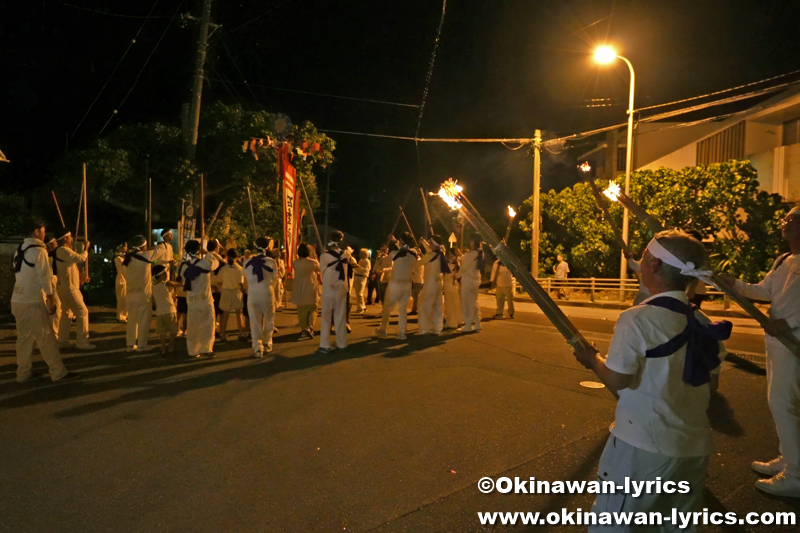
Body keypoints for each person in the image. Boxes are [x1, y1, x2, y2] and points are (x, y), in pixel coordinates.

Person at [573, 230, 731, 526]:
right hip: (693, 447)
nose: (640, 264)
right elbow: (712, 383)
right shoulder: (704, 323)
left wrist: (591, 359)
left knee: (615, 522)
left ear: (655, 266)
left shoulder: (637, 318)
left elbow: (617, 379)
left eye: (644, 257)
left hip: (642, 446)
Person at [719, 206, 800, 497]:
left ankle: (796, 474)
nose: (786, 222)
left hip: (794, 343)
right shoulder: (783, 260)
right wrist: (735, 285)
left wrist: (789, 323)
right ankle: (789, 456)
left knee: (784, 403)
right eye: (786, 218)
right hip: (777, 341)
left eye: (793, 218)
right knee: (781, 402)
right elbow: (765, 291)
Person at [11, 218, 77, 383]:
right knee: (46, 337)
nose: (44, 233)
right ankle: (58, 372)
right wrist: (51, 299)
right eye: (43, 230)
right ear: (36, 231)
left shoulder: (20, 249)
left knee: (24, 338)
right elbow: (44, 278)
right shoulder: (38, 251)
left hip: (17, 300)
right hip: (32, 301)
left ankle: (23, 374)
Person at [52, 227, 94, 350]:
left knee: (67, 314)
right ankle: (82, 342)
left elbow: (71, 270)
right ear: (65, 238)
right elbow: (81, 258)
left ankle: (63, 340)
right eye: (69, 236)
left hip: (67, 287)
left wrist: (81, 279)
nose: (71, 238)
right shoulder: (62, 250)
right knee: (82, 312)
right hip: (69, 288)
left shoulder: (64, 251)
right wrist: (86, 249)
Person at [179, 239, 219, 358]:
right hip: (204, 299)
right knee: (207, 325)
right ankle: (206, 349)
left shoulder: (184, 266)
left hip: (191, 300)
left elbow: (182, 277)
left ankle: (192, 350)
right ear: (198, 250)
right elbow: (215, 262)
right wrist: (207, 252)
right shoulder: (205, 263)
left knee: (192, 326)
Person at [122, 235, 163, 352]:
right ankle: (142, 345)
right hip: (143, 295)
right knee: (144, 321)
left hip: (130, 294)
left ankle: (130, 345)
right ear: (142, 246)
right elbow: (161, 250)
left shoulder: (126, 260)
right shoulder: (146, 255)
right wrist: (152, 247)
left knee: (132, 321)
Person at [376, 232, 418, 340]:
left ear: (401, 242)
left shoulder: (393, 254)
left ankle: (383, 329)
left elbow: (384, 261)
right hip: (407, 284)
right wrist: (395, 240)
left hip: (395, 284)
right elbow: (404, 249)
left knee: (387, 307)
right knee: (402, 309)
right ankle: (402, 332)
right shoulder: (414, 254)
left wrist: (381, 255)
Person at [243, 237, 278, 357]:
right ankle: (268, 343)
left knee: (255, 321)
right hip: (267, 291)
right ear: (267, 247)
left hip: (253, 292)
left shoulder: (247, 262)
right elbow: (275, 278)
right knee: (269, 318)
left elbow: (245, 277)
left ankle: (258, 348)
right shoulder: (271, 261)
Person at [319, 231, 353, 352]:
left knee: (326, 317)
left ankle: (325, 344)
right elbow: (348, 254)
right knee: (340, 316)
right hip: (341, 288)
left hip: (328, 288)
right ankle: (342, 343)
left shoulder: (324, 256)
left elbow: (321, 270)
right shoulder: (346, 254)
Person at [418, 235, 449, 335]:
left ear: (434, 244)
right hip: (438, 283)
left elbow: (418, 263)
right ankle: (437, 328)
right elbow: (430, 249)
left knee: (425, 305)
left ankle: (425, 328)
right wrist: (423, 242)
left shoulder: (430, 255)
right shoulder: (440, 253)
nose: (429, 244)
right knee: (437, 306)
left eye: (430, 242)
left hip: (430, 284)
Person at [292, 243, 321, 339]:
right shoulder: (313, 263)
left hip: (299, 288)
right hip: (311, 287)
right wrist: (315, 256)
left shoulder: (295, 263)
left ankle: (304, 328)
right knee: (313, 308)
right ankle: (310, 326)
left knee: (301, 310)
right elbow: (320, 269)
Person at [218, 248, 246, 342]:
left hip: (225, 291)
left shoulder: (223, 269)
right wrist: (243, 291)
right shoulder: (239, 269)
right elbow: (241, 283)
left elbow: (219, 281)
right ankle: (241, 333)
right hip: (236, 291)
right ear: (236, 257)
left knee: (225, 314)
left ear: (227, 256)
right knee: (239, 313)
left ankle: (223, 335)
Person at [459, 235, 485, 333]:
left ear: (473, 242)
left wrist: (457, 275)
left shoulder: (471, 254)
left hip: (468, 280)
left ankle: (468, 324)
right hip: (476, 280)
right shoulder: (481, 253)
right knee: (474, 301)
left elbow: (464, 267)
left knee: (467, 302)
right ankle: (477, 323)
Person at [152, 265, 180, 354]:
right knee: (173, 330)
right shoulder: (165, 283)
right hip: (170, 310)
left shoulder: (152, 287)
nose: (167, 275)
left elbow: (154, 301)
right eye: (165, 273)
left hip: (159, 312)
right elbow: (178, 284)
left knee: (162, 332)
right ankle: (171, 345)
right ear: (162, 275)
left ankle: (163, 348)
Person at [44, 233, 61, 333]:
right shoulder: (45, 257)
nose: (56, 244)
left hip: (52, 287)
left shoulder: (51, 257)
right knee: (55, 312)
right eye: (54, 242)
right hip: (49, 289)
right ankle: (54, 335)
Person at [443, 247, 462, 330]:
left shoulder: (449, 265)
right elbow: (459, 277)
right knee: (456, 304)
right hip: (455, 286)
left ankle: (452, 322)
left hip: (449, 286)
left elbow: (444, 275)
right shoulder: (458, 265)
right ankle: (458, 320)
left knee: (450, 305)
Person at [351, 248, 371, 313]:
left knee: (359, 293)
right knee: (358, 293)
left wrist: (358, 266)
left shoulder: (367, 261)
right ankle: (363, 306)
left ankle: (360, 308)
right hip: (357, 276)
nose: (360, 255)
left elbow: (366, 270)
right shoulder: (361, 260)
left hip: (362, 277)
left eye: (361, 253)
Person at [113, 243, 128, 323]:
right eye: (125, 246)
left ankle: (125, 315)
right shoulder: (118, 258)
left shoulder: (123, 256)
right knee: (122, 299)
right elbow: (124, 266)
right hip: (121, 280)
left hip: (125, 279)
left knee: (126, 299)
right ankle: (121, 316)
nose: (126, 247)